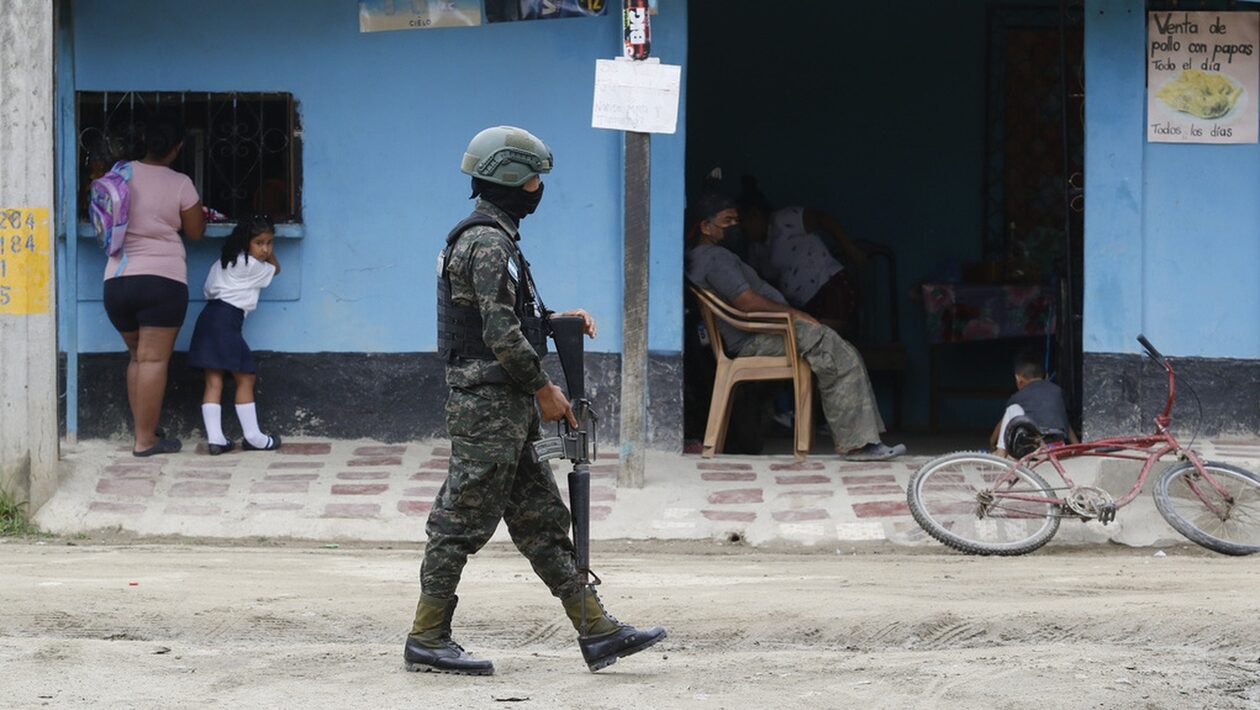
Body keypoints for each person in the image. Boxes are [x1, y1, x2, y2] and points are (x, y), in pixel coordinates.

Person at [405, 125, 666, 676]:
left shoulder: (493, 239)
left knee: (542, 520)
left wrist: (554, 321)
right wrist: (545, 390)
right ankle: (427, 637)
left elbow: (499, 319)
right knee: (461, 518)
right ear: (511, 180)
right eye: (533, 179)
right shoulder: (488, 243)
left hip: (503, 403)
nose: (537, 189)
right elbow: (499, 336)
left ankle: (596, 630)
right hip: (488, 405)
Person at [686, 189, 905, 461]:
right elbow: (747, 301)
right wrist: (794, 315)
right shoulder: (715, 258)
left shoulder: (700, 257)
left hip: (760, 333)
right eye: (727, 221)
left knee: (832, 346)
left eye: (736, 221)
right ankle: (858, 445)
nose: (735, 227)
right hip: (755, 338)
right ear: (706, 227)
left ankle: (858, 441)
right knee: (833, 350)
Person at [102, 114, 205, 457]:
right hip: (162, 281)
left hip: (117, 281)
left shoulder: (120, 173)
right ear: (177, 148)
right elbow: (195, 232)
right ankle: (145, 441)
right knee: (153, 361)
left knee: (137, 357)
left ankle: (143, 431)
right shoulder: (181, 183)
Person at [187, 216, 283, 455]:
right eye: (259, 242)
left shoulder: (222, 262)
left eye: (270, 243)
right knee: (246, 377)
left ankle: (216, 440)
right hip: (227, 321)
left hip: (208, 317)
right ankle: (254, 437)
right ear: (245, 242)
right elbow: (277, 269)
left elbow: (208, 289)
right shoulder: (251, 265)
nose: (265, 249)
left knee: (214, 379)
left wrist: (254, 248)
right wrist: (269, 256)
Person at [737, 176, 868, 340]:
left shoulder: (783, 221)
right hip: (805, 306)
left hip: (832, 289)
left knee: (822, 344)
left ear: (755, 215)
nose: (741, 230)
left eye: (742, 222)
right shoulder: (755, 250)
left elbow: (822, 219)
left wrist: (850, 249)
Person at [990, 349, 1079, 458]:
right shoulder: (1058, 391)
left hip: (1037, 449)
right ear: (1046, 376)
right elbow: (1066, 423)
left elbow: (1002, 425)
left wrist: (991, 442)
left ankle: (1000, 455)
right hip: (1059, 448)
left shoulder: (1017, 397)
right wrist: (1077, 447)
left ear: (1018, 378)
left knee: (1012, 409)